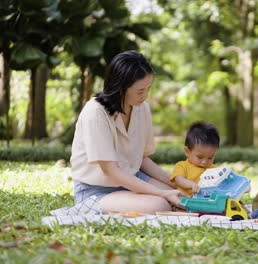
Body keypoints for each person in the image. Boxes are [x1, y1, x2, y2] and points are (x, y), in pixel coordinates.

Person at [71, 50, 188, 214]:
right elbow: (110, 171)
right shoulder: (95, 112)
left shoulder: (142, 108)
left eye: (148, 88)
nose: (145, 96)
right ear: (120, 88)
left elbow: (141, 159)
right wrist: (163, 193)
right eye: (140, 91)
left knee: (184, 196)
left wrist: (177, 182)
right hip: (97, 190)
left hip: (133, 177)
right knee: (160, 205)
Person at [170, 122, 220, 196]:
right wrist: (192, 184)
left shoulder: (213, 169)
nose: (204, 162)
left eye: (210, 157)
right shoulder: (182, 166)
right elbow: (179, 180)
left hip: (207, 202)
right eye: (200, 157)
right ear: (187, 151)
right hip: (186, 201)